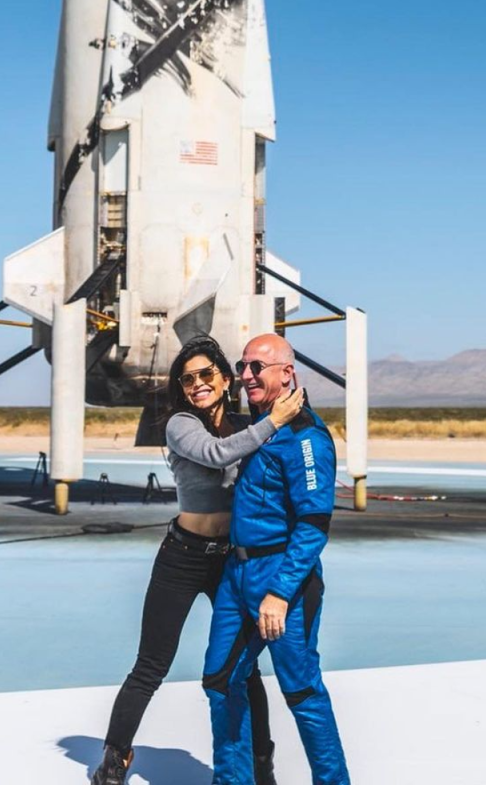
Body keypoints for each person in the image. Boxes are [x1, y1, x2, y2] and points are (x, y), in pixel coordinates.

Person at [91, 336, 304, 785]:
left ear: (226, 379)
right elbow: (217, 453)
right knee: (151, 664)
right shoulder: (179, 424)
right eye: (187, 379)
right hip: (183, 557)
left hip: (232, 561)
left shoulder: (250, 421)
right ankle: (114, 760)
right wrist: (274, 422)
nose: (197, 384)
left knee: (243, 669)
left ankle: (260, 762)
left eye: (207, 374)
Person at [202, 333, 350, 785]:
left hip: (282, 578)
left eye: (257, 367)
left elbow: (313, 525)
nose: (246, 375)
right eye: (242, 366)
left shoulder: (305, 437)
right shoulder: (257, 426)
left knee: (301, 689)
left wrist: (280, 594)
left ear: (288, 373)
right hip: (237, 574)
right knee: (221, 682)